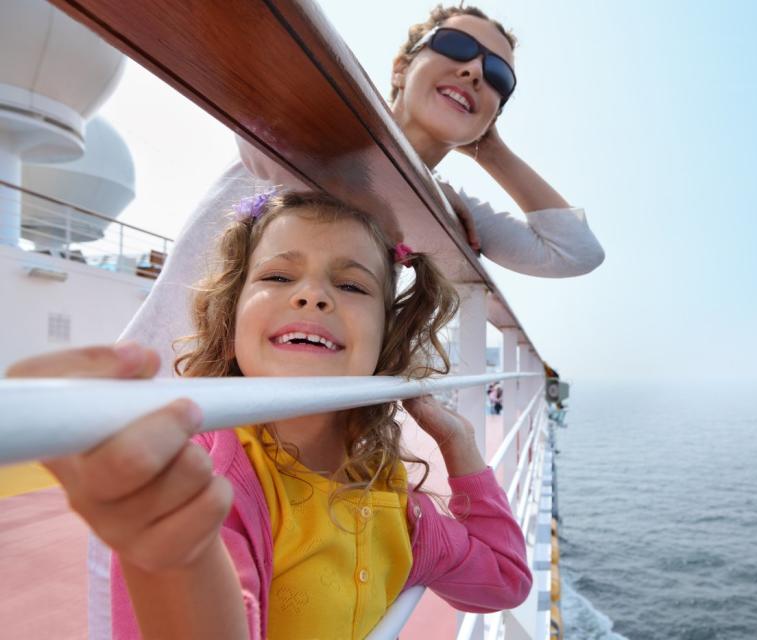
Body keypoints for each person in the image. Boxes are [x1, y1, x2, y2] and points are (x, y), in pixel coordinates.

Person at [9, 190, 531, 639]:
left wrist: (459, 444)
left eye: (351, 286)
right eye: (279, 276)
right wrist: (172, 549)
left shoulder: (394, 502)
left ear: (388, 335)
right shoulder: (210, 483)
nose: (312, 296)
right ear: (231, 313)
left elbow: (505, 580)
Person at [125, 4, 605, 378]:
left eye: (499, 77)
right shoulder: (328, 119)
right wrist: (402, 194)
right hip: (157, 383)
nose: (475, 72)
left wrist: (488, 150)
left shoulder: (443, 203)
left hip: (263, 420)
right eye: (457, 46)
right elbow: (262, 111)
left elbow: (574, 254)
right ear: (401, 67)